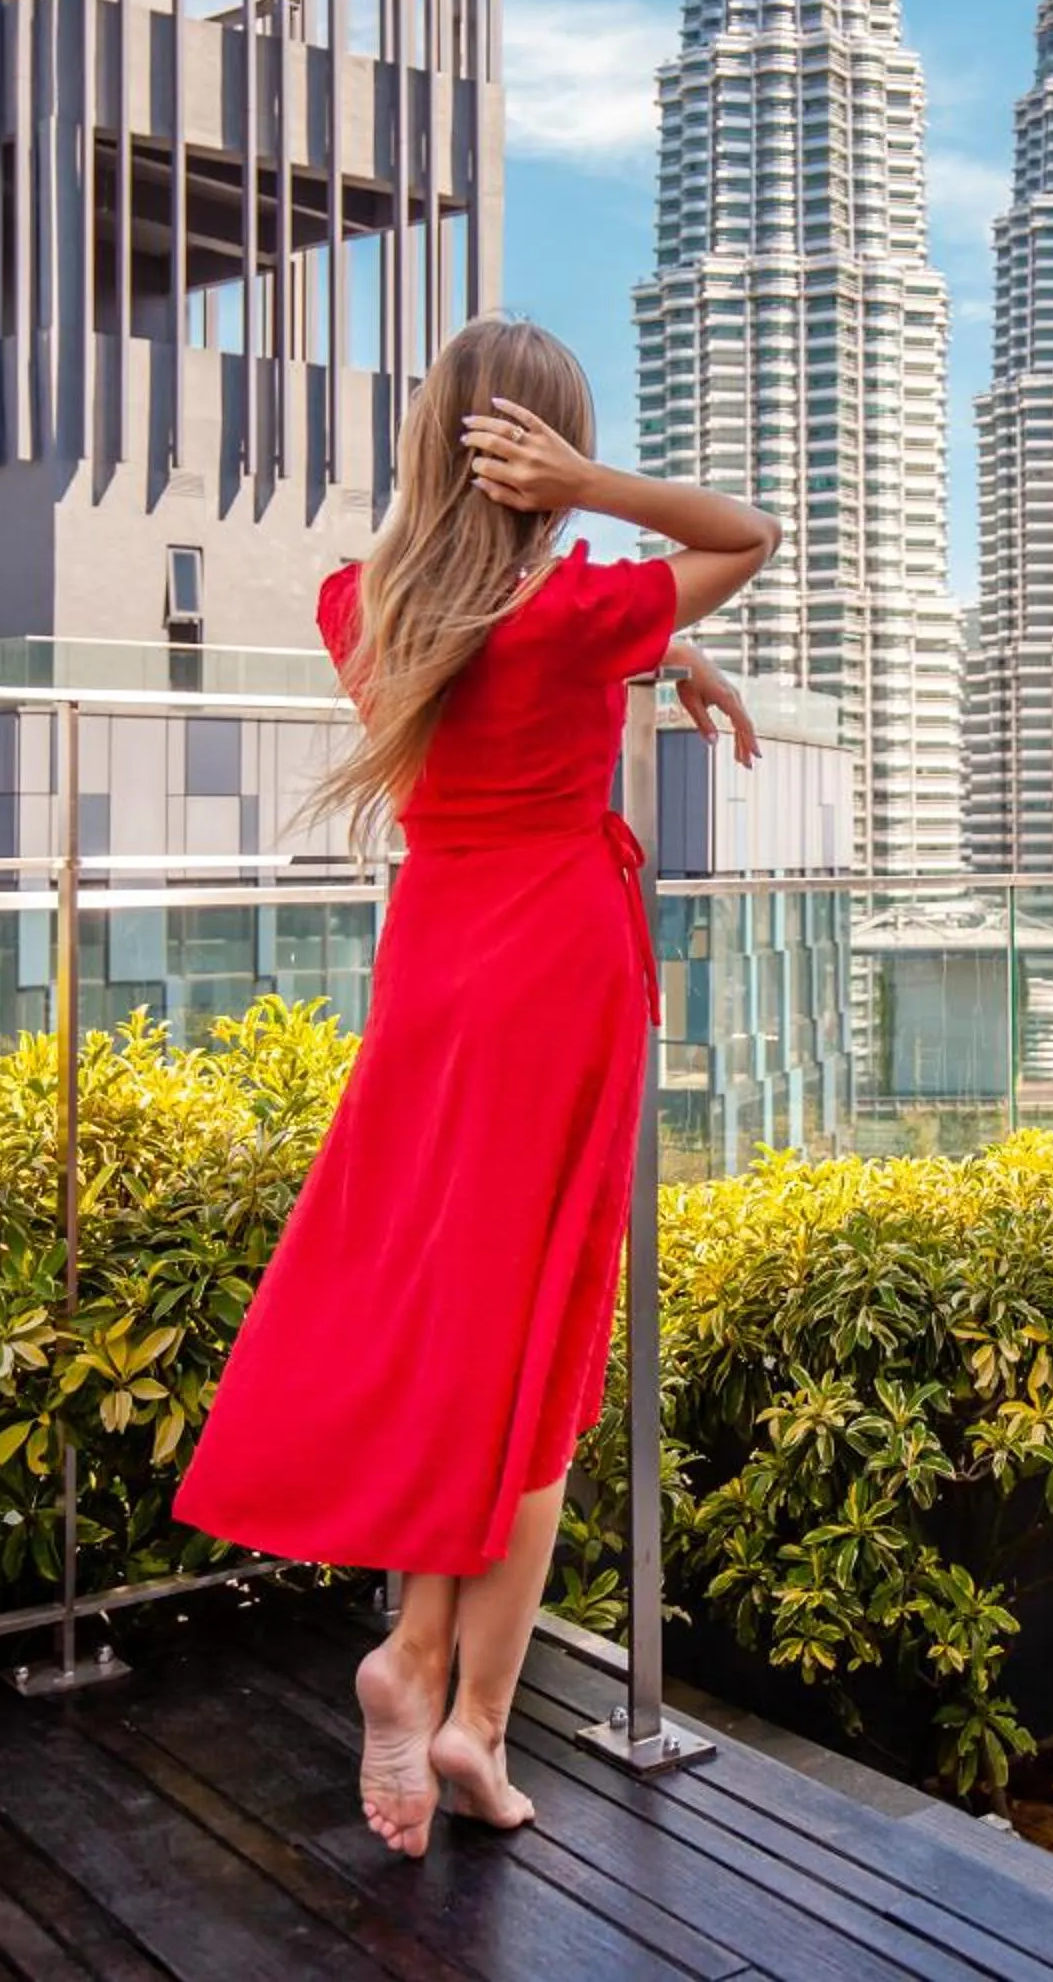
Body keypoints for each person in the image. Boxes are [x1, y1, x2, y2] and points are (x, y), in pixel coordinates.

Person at [172, 315, 780, 1859]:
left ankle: (429, 1668)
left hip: (437, 970)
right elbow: (746, 533)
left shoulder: (357, 608)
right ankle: (466, 1713)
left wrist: (674, 653)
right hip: (559, 976)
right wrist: (604, 488)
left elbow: (494, 629)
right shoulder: (580, 610)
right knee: (546, 1346)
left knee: (463, 1322)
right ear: (541, 454)